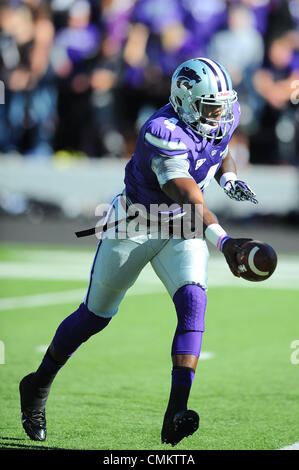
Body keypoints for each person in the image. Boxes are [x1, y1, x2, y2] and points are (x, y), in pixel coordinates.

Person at [19, 58, 258, 447]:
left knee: (194, 301)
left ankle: (175, 411)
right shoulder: (161, 131)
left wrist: (228, 175)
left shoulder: (221, 115)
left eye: (222, 106)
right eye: (210, 107)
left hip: (182, 227)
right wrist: (226, 242)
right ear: (184, 101)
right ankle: (37, 384)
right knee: (95, 316)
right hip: (136, 224)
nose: (220, 115)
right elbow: (188, 196)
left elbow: (219, 147)